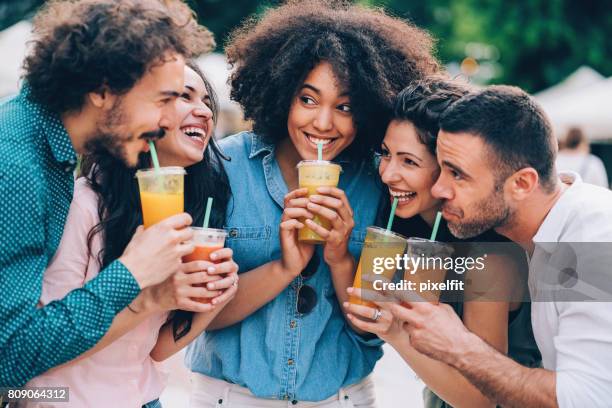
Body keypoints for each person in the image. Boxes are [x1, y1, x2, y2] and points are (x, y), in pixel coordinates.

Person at [184, 0, 439, 405]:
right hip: (227, 397)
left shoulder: (381, 183)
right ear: (282, 92)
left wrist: (340, 259)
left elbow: (370, 326)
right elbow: (196, 317)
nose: (323, 123)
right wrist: (286, 267)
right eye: (308, 99)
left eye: (345, 107)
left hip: (343, 398)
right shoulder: (226, 168)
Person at [0, 0, 211, 387]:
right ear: (103, 90)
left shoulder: (47, 148)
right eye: (163, 100)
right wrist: (132, 271)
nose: (167, 122)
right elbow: (10, 355)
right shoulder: (17, 167)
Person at [20, 62, 239, 408]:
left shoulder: (181, 215)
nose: (203, 110)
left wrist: (215, 300)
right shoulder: (84, 206)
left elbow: (153, 349)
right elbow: (44, 351)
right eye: (183, 96)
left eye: (207, 101)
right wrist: (149, 298)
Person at [381, 85, 612, 407]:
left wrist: (459, 346)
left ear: (521, 184)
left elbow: (584, 399)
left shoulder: (593, 237)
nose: (440, 187)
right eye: (442, 168)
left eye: (457, 175)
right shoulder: (541, 237)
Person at [344, 78, 540, 408]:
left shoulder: (489, 258)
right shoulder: (407, 229)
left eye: (409, 161)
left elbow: (480, 400)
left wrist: (395, 333)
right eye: (386, 154)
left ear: (450, 166)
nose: (389, 173)